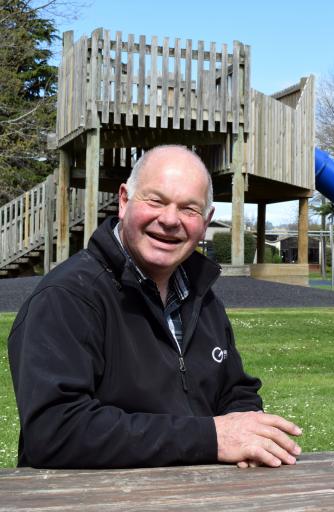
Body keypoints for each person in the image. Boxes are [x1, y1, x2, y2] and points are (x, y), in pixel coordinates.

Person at [8, 145, 302, 469]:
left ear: (205, 222)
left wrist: (246, 426)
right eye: (156, 201)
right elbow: (55, 431)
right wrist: (212, 437)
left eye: (189, 209)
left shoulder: (201, 297)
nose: (170, 220)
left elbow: (234, 389)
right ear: (124, 201)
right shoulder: (67, 297)